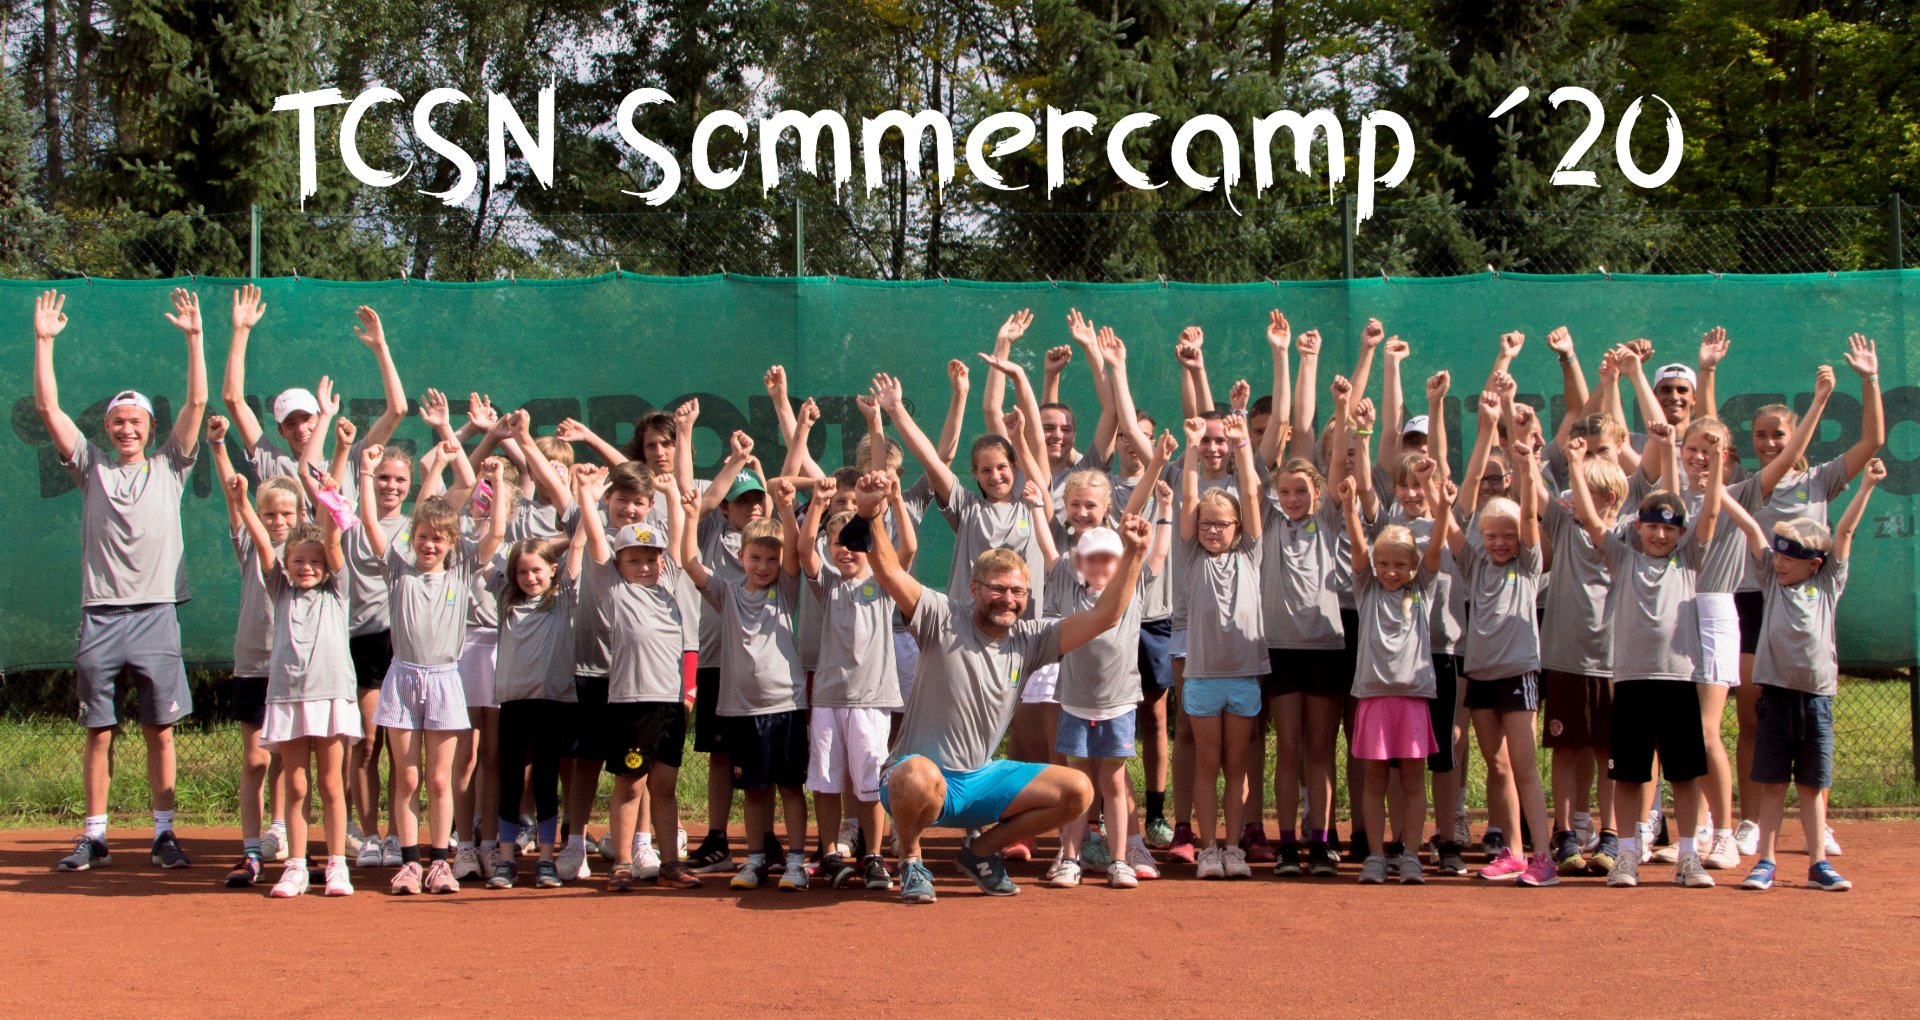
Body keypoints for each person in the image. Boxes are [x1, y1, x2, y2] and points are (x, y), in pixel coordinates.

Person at [860, 466, 1148, 904]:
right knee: (917, 774)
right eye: (997, 589)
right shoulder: (941, 616)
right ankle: (912, 860)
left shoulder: (1031, 639)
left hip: (977, 783)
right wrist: (869, 514)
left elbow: (1105, 616)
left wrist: (1134, 554)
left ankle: (980, 853)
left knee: (1078, 790)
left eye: (1018, 592)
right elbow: (886, 570)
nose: (1008, 599)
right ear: (974, 589)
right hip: (914, 781)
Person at [38, 287, 208, 873]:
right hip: (101, 616)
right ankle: (94, 837)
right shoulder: (91, 468)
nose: (126, 428)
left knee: (160, 731)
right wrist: (44, 342)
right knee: (99, 731)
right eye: (117, 421)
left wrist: (195, 338)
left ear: (150, 427)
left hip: (157, 613)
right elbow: (49, 410)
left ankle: (164, 835)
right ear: (107, 427)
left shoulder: (171, 465)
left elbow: (198, 400)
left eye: (135, 421)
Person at [872, 361, 1053, 861]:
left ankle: (987, 830)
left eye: (1003, 467)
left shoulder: (1034, 505)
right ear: (974, 477)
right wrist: (896, 413)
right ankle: (907, 818)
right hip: (963, 638)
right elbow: (932, 460)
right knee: (943, 730)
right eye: (986, 470)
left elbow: (1038, 459)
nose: (996, 475)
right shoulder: (968, 509)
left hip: (1016, 643)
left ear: (1016, 469)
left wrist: (1021, 428)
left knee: (995, 737)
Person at [1730, 335, 1883, 858]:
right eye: (1761, 435)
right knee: (1753, 717)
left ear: (1795, 435)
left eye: (1779, 434)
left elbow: (1872, 441)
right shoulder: (1753, 483)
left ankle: (1820, 825)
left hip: (1804, 608)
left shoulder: (1821, 480)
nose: (1770, 443)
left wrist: (1869, 378)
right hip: (1753, 601)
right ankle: (1750, 822)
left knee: (1811, 725)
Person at [1567, 429, 1725, 888]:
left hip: (1679, 682)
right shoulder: (1623, 558)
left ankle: (1689, 856)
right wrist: (1575, 463)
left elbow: (1711, 512)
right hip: (1633, 683)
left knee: (1685, 775)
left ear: (1681, 532)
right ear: (1638, 527)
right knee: (1630, 775)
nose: (1660, 534)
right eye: (1653, 526)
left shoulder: (1688, 559)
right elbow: (1591, 519)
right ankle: (1627, 855)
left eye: (1670, 528)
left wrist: (1715, 461)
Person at [357, 431, 506, 894]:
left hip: (445, 679)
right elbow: (368, 520)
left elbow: (496, 533)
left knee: (441, 780)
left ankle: (440, 863)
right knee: (407, 776)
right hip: (402, 677)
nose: (429, 544)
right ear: (411, 538)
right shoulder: (398, 565)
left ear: (451, 542)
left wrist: (498, 483)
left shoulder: (462, 567)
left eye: (438, 538)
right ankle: (409, 863)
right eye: (422, 537)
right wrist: (365, 472)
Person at [1732, 459, 1880, 892]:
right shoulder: (1771, 581)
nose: (1778, 563)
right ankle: (1766, 862)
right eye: (1777, 555)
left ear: (1814, 563)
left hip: (1817, 701)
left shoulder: (1828, 583)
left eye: (1788, 559)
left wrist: (1867, 484)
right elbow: (1751, 529)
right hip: (1775, 698)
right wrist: (1717, 493)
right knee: (1774, 784)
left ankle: (1818, 865)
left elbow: (1845, 531)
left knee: (1812, 788)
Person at [1040, 451, 1170, 888]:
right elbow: (1046, 536)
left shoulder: (1132, 582)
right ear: (1078, 562)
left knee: (1113, 782)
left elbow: (1148, 543)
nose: (1098, 564)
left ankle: (1121, 858)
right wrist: (1035, 498)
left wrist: (1160, 488)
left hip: (1118, 703)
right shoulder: (1065, 578)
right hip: (1075, 701)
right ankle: (1070, 857)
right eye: (1089, 558)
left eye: (1108, 558)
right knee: (1078, 783)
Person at [232, 469, 362, 897]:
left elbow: (332, 541)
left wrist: (329, 497)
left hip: (331, 697)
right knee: (296, 785)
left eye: (315, 562)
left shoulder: (337, 590)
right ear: (285, 565)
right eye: (298, 561)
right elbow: (260, 542)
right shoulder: (280, 588)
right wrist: (242, 503)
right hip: (288, 699)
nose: (307, 568)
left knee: (330, 784)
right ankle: (296, 868)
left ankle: (337, 866)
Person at [683, 477, 811, 891]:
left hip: (786, 708)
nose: (764, 566)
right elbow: (689, 562)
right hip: (742, 712)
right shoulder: (727, 594)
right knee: (754, 790)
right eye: (755, 557)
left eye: (772, 559)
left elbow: (795, 551)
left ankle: (795, 862)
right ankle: (755, 860)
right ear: (740, 557)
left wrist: (787, 508)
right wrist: (690, 516)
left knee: (790, 788)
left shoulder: (786, 590)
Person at [1449, 392, 1556, 886]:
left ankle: (1543, 858)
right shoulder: (1474, 564)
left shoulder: (1528, 564)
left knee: (1524, 767)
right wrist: (1435, 492)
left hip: (1518, 674)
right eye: (1491, 535)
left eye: (1507, 535)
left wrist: (1526, 463)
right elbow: (1454, 528)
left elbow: (1530, 515)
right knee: (1496, 765)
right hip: (1480, 675)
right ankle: (1512, 852)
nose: (1499, 542)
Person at [575, 473, 700, 891]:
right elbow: (597, 539)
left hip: (670, 705)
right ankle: (623, 862)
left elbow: (678, 542)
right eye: (633, 559)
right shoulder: (613, 589)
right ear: (618, 564)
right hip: (632, 704)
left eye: (650, 558)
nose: (644, 566)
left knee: (665, 785)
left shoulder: (668, 584)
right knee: (630, 785)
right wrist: (588, 495)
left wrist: (671, 495)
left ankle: (670, 864)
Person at [799, 475, 918, 891]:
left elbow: (908, 550)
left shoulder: (883, 583)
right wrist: (818, 504)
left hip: (871, 700)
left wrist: (896, 501)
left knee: (869, 783)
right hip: (828, 699)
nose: (846, 549)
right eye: (838, 543)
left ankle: (873, 857)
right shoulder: (828, 584)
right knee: (825, 781)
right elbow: (803, 551)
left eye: (854, 542)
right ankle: (830, 854)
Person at [1341, 457, 1451, 884]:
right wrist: (1349, 506)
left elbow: (1436, 547)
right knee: (1374, 782)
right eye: (1383, 563)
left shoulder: (1423, 586)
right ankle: (1374, 855)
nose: (1390, 571)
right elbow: (1358, 545)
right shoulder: (1366, 586)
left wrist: (1443, 507)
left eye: (1400, 565)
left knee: (1412, 781)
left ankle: (1410, 855)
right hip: (1373, 698)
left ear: (1413, 567)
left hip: (1413, 700)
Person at [485, 471, 588, 890]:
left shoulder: (562, 598)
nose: (530, 578)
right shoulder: (505, 598)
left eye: (538, 570)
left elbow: (578, 542)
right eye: (523, 572)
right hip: (512, 705)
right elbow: (494, 541)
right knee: (511, 781)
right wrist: (498, 487)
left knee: (546, 781)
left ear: (553, 570)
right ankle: (505, 861)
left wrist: (587, 495)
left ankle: (546, 860)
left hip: (552, 704)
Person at [208, 414, 299, 886]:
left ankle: (281, 832)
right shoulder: (248, 542)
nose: (278, 522)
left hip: (294, 668)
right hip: (253, 664)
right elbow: (233, 493)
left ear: (299, 517)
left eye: (287, 514)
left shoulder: (307, 551)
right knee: (257, 757)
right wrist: (219, 445)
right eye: (270, 515)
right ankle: (249, 849)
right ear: (257, 518)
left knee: (288, 757)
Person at [1178, 411, 1267, 881]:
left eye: (1221, 524)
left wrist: (1242, 444)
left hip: (1244, 678)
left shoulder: (1251, 551)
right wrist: (1193, 448)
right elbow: (1189, 494)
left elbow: (1250, 493)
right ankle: (1208, 848)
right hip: (1202, 679)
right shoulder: (1192, 553)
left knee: (1237, 766)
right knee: (1207, 764)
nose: (1212, 531)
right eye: (1205, 524)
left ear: (1237, 526)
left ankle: (1234, 848)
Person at [220, 290, 409, 511]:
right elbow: (233, 400)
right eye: (290, 423)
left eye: (306, 418)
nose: (300, 428)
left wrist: (380, 347)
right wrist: (241, 331)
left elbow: (397, 410)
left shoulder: (351, 460)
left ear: (319, 418)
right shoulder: (273, 463)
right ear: (280, 431)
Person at [1538, 441, 1629, 876]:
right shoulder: (1563, 525)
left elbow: (1597, 525)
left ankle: (1611, 835)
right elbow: (1535, 492)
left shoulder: (1626, 535)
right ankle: (1565, 834)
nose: (1571, 498)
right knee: (1566, 749)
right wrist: (1524, 457)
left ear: (1607, 498)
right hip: (1565, 661)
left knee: (1609, 752)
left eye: (1581, 491)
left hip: (1613, 663)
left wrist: (1575, 462)